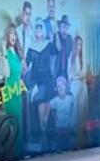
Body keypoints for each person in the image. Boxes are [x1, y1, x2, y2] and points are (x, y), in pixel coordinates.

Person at [23, 19, 56, 151]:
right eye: (36, 28)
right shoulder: (31, 48)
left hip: (48, 79)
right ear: (34, 31)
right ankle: (43, 136)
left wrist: (53, 36)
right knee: (41, 106)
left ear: (43, 30)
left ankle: (45, 136)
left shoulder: (49, 45)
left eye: (40, 27)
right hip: (38, 81)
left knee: (48, 106)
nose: (38, 30)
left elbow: (56, 52)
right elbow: (26, 64)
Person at [67, 33, 89, 129]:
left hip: (82, 84)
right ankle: (73, 128)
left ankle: (82, 127)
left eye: (80, 45)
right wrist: (78, 77)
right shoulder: (70, 58)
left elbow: (84, 73)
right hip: (75, 85)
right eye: (77, 44)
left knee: (83, 104)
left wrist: (81, 77)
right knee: (76, 105)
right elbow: (70, 75)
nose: (79, 47)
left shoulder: (82, 58)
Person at [50, 75, 76, 150]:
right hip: (59, 127)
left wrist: (71, 120)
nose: (61, 88)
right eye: (58, 86)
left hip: (68, 127)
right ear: (56, 89)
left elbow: (73, 109)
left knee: (69, 143)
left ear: (66, 87)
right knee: (60, 144)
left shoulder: (71, 99)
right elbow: (52, 111)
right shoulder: (54, 101)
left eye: (62, 85)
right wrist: (55, 119)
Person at [53, 14, 73, 79]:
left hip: (66, 71)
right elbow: (58, 48)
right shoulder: (56, 36)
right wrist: (56, 33)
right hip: (56, 71)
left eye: (67, 28)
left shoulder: (70, 39)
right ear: (59, 28)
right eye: (63, 27)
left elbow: (71, 55)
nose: (65, 30)